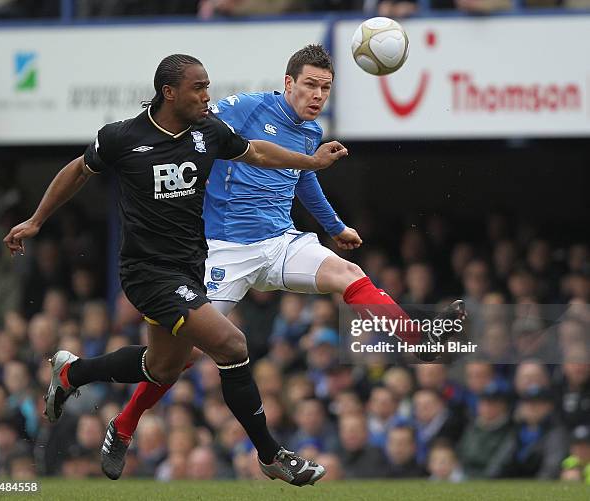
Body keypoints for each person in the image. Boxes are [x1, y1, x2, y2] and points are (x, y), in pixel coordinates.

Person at [110, 44, 465, 478]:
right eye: (310, 85)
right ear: (288, 83)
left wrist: (334, 227)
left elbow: (304, 179)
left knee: (348, 273)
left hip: (280, 242)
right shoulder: (246, 107)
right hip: (224, 249)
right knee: (178, 360)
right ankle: (124, 425)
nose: (317, 96)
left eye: (326, 89)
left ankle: (420, 343)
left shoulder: (311, 133)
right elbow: (196, 127)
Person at [3, 53, 349, 486]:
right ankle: (271, 454)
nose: (208, 96)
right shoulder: (123, 137)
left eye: (208, 86)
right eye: (199, 88)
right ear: (169, 93)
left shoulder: (208, 132)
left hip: (191, 266)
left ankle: (72, 372)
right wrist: (36, 220)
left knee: (163, 368)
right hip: (148, 272)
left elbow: (257, 151)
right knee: (231, 345)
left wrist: (311, 163)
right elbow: (78, 170)